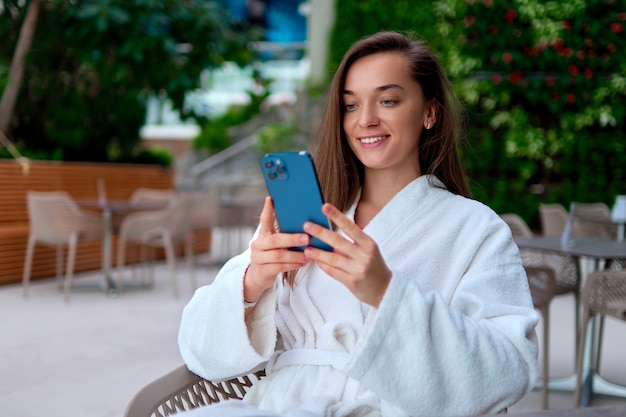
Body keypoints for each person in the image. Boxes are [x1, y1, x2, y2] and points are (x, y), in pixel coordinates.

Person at [178, 31, 539, 417]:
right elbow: (201, 353)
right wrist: (251, 284)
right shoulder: (308, 217)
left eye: (387, 100)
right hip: (285, 405)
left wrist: (387, 293)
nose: (365, 120)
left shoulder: (476, 229)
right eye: (350, 106)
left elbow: (508, 369)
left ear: (430, 112)